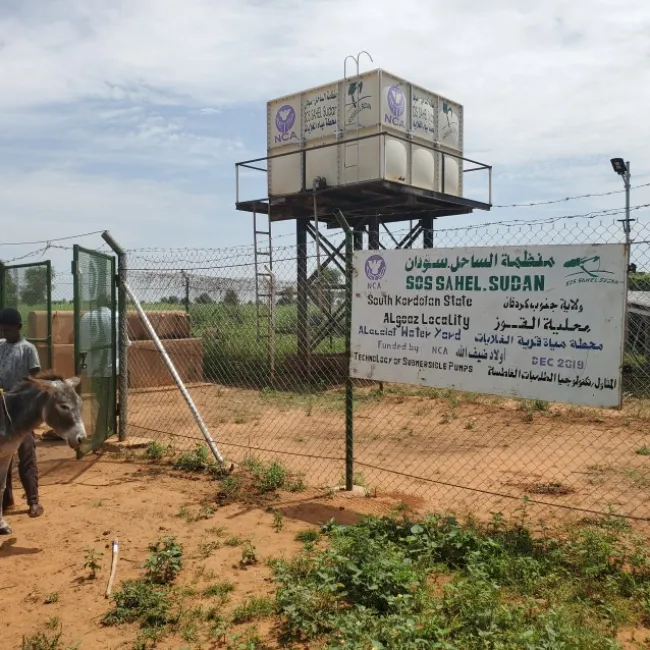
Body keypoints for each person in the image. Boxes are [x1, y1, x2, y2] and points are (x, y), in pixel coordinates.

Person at [0, 307, 44, 518]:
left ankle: (33, 501)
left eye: (8, 330)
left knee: (26, 453)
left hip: (21, 411)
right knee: (3, 454)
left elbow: (35, 378)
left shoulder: (28, 349)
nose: (5, 334)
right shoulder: (0, 346)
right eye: (2, 330)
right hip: (2, 406)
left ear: (19, 327)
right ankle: (7, 500)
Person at [79, 293, 118, 446]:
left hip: (94, 367)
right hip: (112, 366)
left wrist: (82, 364)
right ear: (110, 302)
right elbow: (125, 342)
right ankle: (102, 433)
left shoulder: (87, 318)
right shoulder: (116, 317)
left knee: (102, 399)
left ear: (96, 302)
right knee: (107, 401)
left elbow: (82, 345)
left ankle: (106, 429)